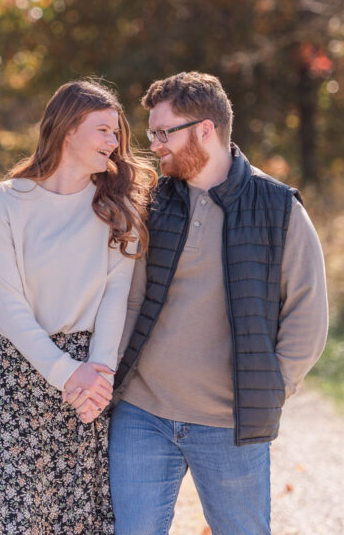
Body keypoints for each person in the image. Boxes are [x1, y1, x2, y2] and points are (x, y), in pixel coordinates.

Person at [109, 71, 329, 535]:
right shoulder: (153, 202)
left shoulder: (278, 208)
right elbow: (128, 301)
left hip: (229, 424)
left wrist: (272, 386)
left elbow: (307, 314)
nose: (156, 145)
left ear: (205, 130)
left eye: (164, 132)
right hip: (142, 414)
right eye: (153, 133)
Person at [0, 78, 156, 534]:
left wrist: (100, 375)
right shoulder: (5, 203)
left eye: (117, 134)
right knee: (14, 520)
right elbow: (9, 306)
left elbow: (116, 298)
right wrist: (65, 372)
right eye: (103, 130)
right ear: (69, 129)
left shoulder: (117, 209)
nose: (114, 143)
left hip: (88, 379)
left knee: (81, 521)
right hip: (14, 374)